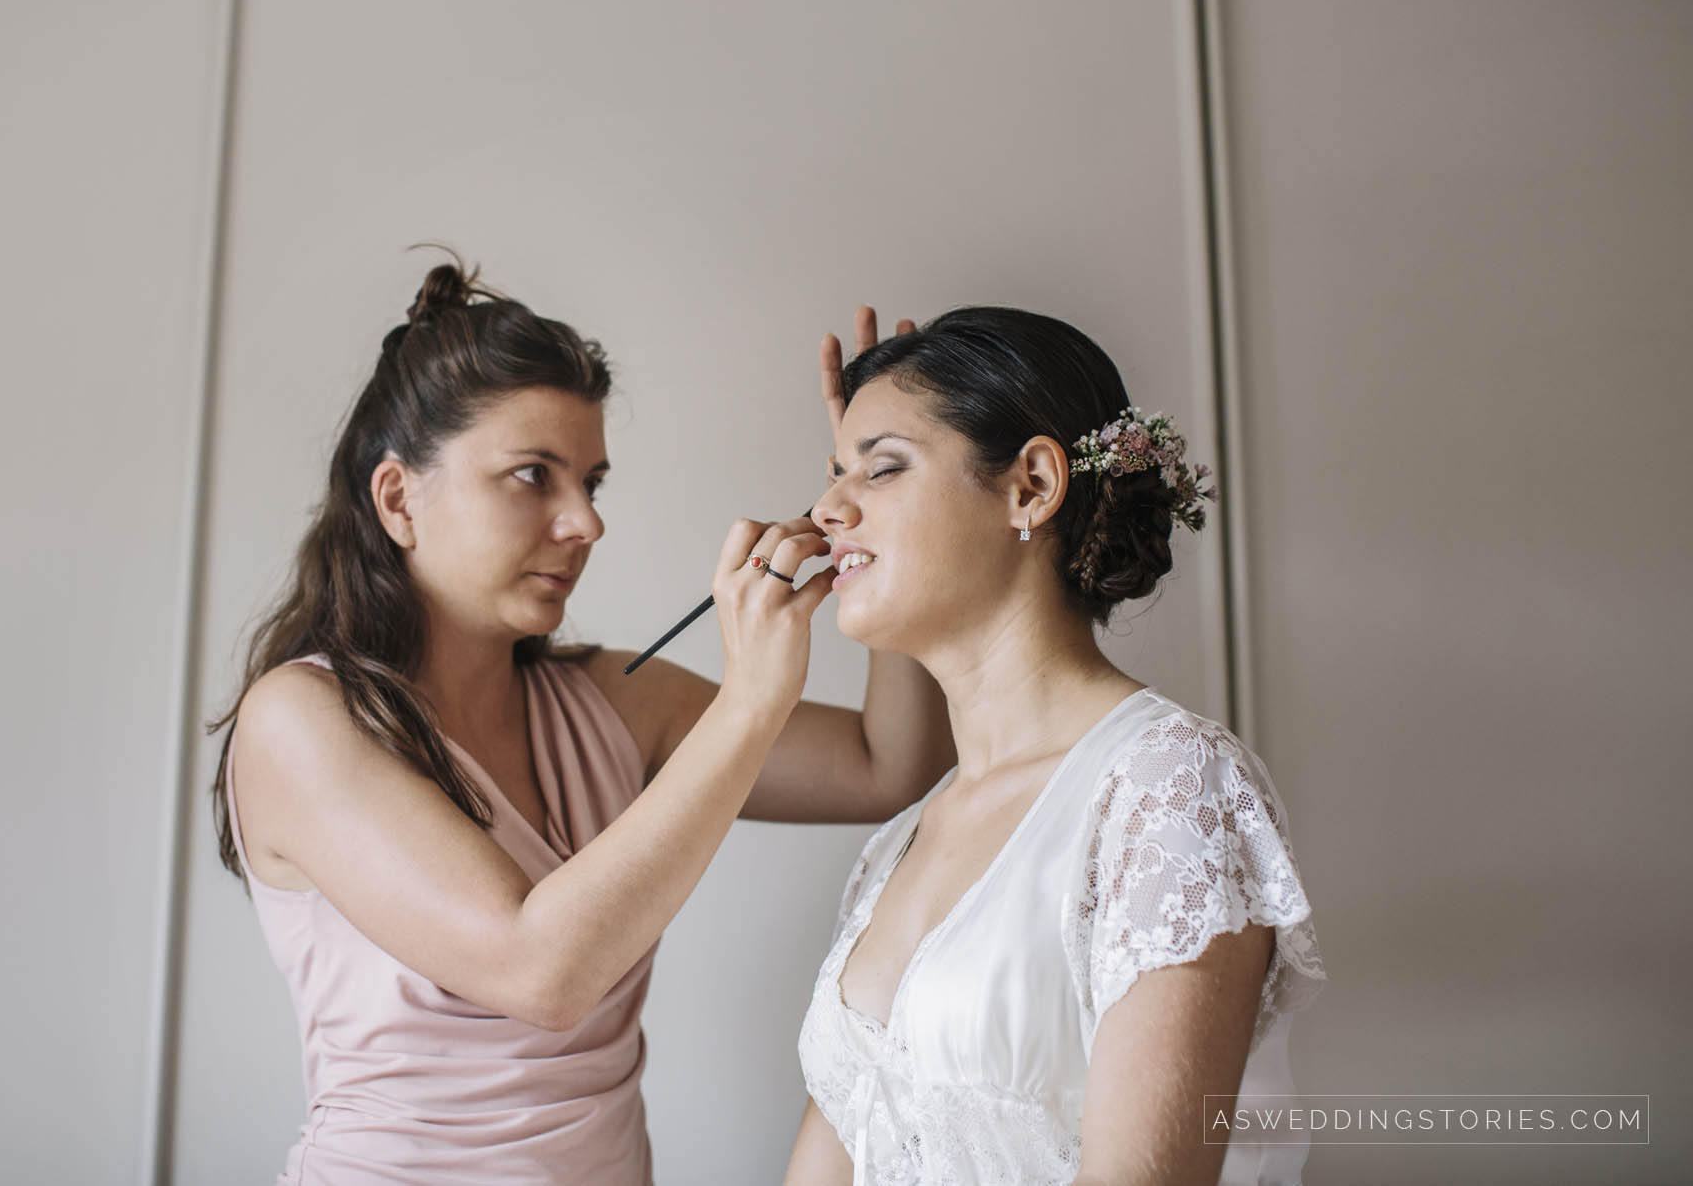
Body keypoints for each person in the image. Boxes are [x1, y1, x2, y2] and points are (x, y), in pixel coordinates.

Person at [211, 256, 953, 1184]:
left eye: (591, 483)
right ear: (399, 499)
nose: (585, 523)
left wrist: (871, 499)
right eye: (533, 475)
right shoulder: (299, 720)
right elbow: (542, 972)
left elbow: (891, 763)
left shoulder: (609, 698)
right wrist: (750, 699)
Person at [785, 307, 1325, 1185]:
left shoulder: (1166, 788)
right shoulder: (898, 846)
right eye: (835, 473)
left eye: (883, 467)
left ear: (1032, 484)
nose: (824, 510)